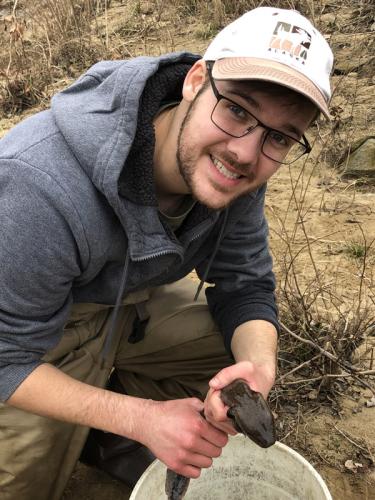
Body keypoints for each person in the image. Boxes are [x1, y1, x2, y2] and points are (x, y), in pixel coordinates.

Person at [0, 6, 333, 499]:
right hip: (29, 331)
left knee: (232, 349)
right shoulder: (38, 184)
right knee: (21, 486)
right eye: (238, 109)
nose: (245, 153)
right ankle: (103, 420)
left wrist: (257, 370)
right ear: (196, 80)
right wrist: (142, 418)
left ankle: (102, 437)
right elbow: (5, 357)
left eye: (278, 137)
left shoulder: (238, 167)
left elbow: (244, 284)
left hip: (128, 303)